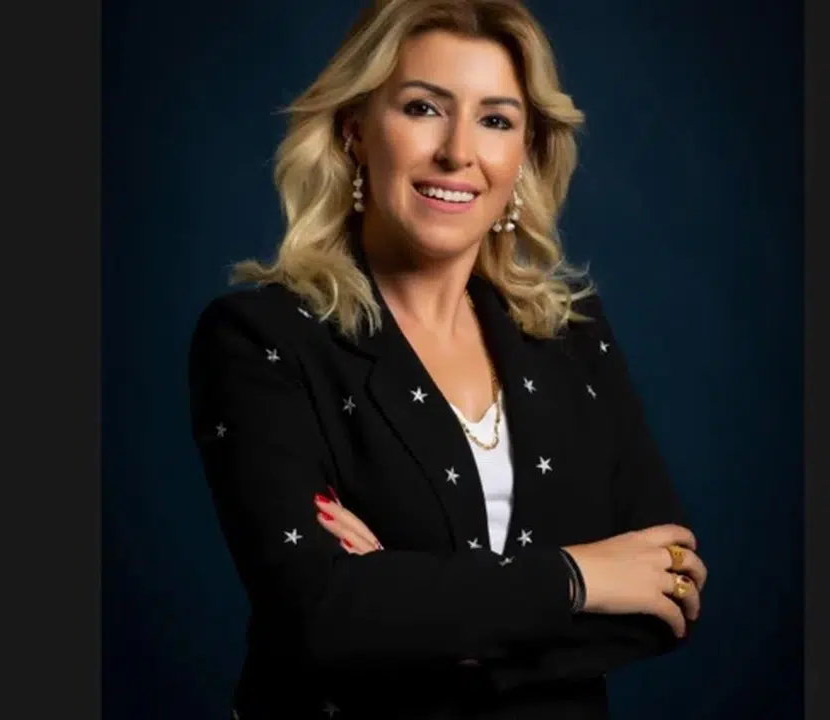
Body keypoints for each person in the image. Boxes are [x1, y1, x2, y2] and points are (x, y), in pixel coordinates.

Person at [187, 0, 707, 717]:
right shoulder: (262, 339)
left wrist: (408, 607)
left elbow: (671, 589)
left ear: (524, 152)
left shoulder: (572, 335)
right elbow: (318, 614)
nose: (458, 152)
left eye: (496, 120)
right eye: (424, 108)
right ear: (355, 130)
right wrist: (578, 578)